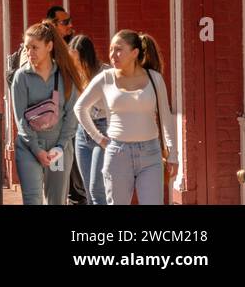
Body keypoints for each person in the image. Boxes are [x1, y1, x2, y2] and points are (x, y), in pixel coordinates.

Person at [74, 31, 177, 206]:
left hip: (150, 153)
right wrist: (99, 138)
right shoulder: (105, 78)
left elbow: (165, 117)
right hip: (117, 154)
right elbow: (80, 107)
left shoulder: (154, 78)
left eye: (119, 50)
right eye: (111, 49)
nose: (113, 55)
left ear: (135, 52)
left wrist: (173, 154)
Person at [11, 22, 82, 205]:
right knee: (32, 200)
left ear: (49, 46)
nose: (29, 52)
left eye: (35, 47)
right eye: (27, 47)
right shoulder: (21, 77)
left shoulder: (65, 76)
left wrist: (60, 146)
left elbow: (71, 116)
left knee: (56, 201)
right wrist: (36, 150)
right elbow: (20, 119)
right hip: (29, 147)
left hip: (58, 148)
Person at [69, 34, 109, 205]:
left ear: (87, 57)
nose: (74, 64)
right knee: (87, 190)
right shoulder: (74, 74)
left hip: (103, 129)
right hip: (82, 132)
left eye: (77, 59)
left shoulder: (105, 73)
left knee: (96, 188)